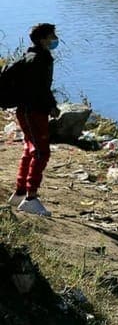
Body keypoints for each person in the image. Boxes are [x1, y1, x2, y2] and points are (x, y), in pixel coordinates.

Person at [6, 23, 61, 217]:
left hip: (28, 110)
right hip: (33, 112)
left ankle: (19, 194)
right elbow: (40, 89)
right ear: (43, 39)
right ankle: (31, 197)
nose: (55, 39)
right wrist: (52, 105)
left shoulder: (29, 56)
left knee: (30, 150)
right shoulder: (39, 59)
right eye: (52, 35)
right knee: (41, 152)